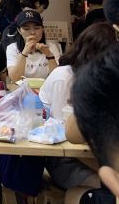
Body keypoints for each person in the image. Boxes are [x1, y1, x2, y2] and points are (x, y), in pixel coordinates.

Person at [39, 23, 117, 200]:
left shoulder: (101, 81)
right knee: (104, 187)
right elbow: (66, 132)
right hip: (67, 156)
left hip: (91, 155)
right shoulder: (65, 77)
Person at [6, 10, 61, 82]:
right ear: (19, 31)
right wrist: (24, 53)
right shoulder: (12, 48)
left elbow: (57, 78)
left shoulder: (51, 47)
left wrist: (49, 55)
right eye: (26, 29)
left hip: (46, 88)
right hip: (22, 88)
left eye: (37, 28)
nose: (32, 32)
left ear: (42, 29)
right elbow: (15, 79)